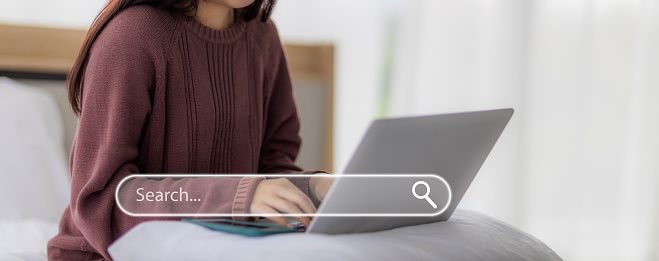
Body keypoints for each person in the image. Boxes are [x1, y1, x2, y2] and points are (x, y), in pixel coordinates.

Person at [47, 0, 333, 259]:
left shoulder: (263, 36)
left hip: (223, 248)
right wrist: (234, 197)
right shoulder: (131, 35)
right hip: (107, 254)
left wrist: (312, 188)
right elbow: (102, 199)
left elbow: (268, 169)